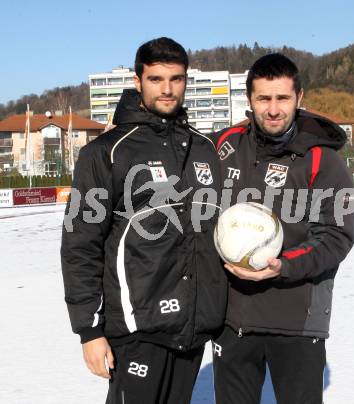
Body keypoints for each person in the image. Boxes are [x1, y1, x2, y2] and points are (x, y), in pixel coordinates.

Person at [61, 37, 227, 404]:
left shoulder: (204, 148)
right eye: (156, 79)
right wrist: (89, 330)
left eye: (176, 79)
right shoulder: (105, 152)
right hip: (137, 328)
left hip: (194, 325)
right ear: (138, 81)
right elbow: (80, 244)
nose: (167, 89)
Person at [211, 54, 354, 404]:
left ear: (299, 98)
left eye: (282, 98)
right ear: (249, 100)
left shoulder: (324, 160)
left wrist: (283, 266)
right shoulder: (223, 147)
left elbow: (336, 236)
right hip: (231, 321)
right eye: (263, 98)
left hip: (297, 322)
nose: (273, 109)